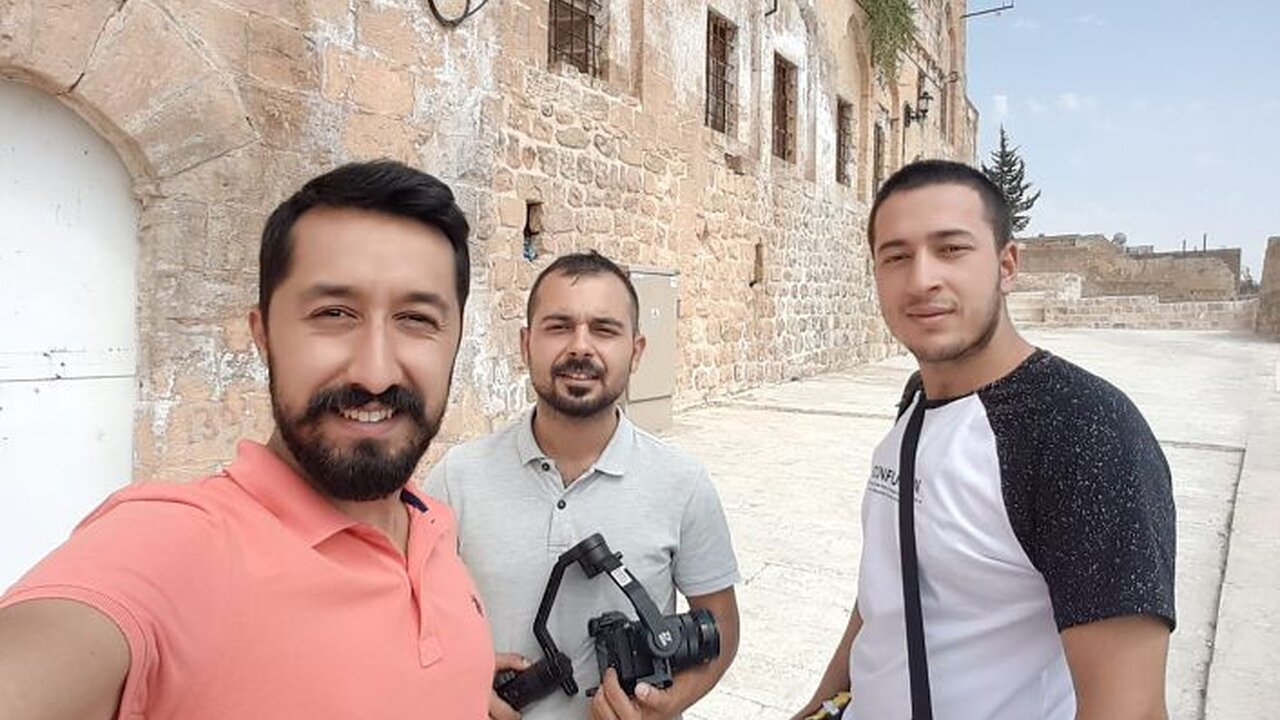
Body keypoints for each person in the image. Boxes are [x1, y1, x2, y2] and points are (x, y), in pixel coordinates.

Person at [0, 161, 496, 719]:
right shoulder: (177, 546)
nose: (376, 373)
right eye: (333, 313)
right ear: (263, 336)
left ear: (455, 341)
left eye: (416, 319)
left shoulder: (432, 523)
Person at [792, 160, 1176, 720]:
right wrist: (819, 706)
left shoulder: (1082, 430)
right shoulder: (917, 401)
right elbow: (892, 584)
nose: (921, 279)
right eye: (896, 256)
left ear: (1006, 264)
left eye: (951, 249)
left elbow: (1129, 708)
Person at [427, 251, 740, 720]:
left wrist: (665, 706)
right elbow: (409, 617)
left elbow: (721, 628)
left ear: (636, 351)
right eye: (559, 327)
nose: (580, 347)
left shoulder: (683, 483)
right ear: (526, 344)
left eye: (604, 330)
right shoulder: (457, 478)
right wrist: (458, 678)